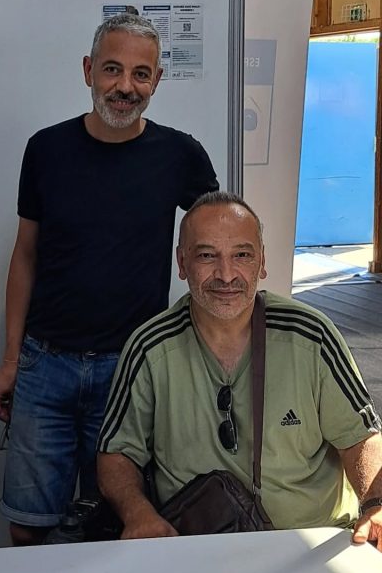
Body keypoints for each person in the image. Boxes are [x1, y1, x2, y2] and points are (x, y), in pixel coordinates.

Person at [0, 11, 218, 544]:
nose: (125, 86)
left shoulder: (179, 155)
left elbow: (219, 240)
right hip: (44, 367)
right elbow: (25, 256)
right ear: (89, 70)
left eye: (141, 74)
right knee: (27, 527)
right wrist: (11, 360)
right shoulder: (46, 149)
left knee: (117, 526)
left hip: (131, 370)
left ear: (157, 81)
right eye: (112, 69)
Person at [98, 191, 382, 549]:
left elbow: (361, 437)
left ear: (261, 262)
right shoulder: (149, 346)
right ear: (182, 263)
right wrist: (138, 513)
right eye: (207, 256)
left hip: (311, 540)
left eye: (242, 255)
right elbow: (116, 453)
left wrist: (375, 503)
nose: (226, 274)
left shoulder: (312, 336)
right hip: (196, 545)